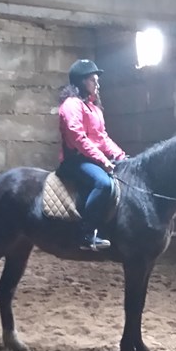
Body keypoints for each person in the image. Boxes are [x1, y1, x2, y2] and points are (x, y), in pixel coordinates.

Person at [58, 59, 126, 251]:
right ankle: (86, 234)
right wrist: (103, 160)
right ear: (81, 81)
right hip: (75, 160)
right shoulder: (71, 105)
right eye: (92, 80)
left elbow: (102, 138)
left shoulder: (94, 108)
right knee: (103, 183)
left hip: (91, 159)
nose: (97, 84)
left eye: (97, 80)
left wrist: (121, 156)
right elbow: (78, 138)